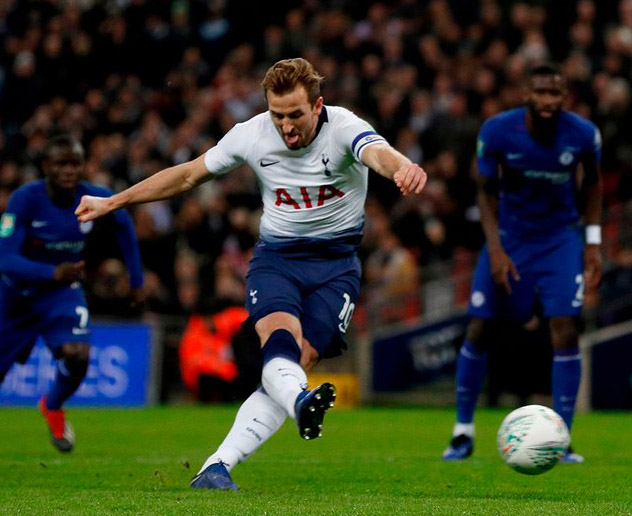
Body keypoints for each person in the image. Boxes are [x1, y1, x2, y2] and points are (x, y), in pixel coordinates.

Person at [75, 58, 427, 489]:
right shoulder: (252, 133)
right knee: (278, 341)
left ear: (318, 107)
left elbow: (378, 154)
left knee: (301, 359)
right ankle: (298, 400)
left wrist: (403, 167)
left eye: (295, 115)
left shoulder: (344, 128)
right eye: (277, 115)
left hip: (337, 265)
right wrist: (114, 202)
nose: (286, 126)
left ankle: (216, 466)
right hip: (277, 258)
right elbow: (187, 175)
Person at [442, 64, 603, 463]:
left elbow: (595, 185)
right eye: (540, 92)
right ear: (525, 94)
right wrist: (495, 249)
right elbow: (484, 191)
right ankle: (462, 432)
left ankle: (562, 438)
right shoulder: (497, 131)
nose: (548, 101)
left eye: (556, 94)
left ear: (565, 97)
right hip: (510, 237)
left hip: (560, 239)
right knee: (480, 326)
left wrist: (593, 243)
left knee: (565, 328)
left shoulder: (583, 134)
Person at [0, 134, 144, 452]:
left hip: (60, 293)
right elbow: (5, 258)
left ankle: (52, 405)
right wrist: (51, 271)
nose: (68, 170)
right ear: (45, 167)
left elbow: (123, 224)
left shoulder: (94, 196)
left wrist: (136, 281)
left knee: (77, 355)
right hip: (14, 298)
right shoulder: (25, 200)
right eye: (60, 164)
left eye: (74, 163)